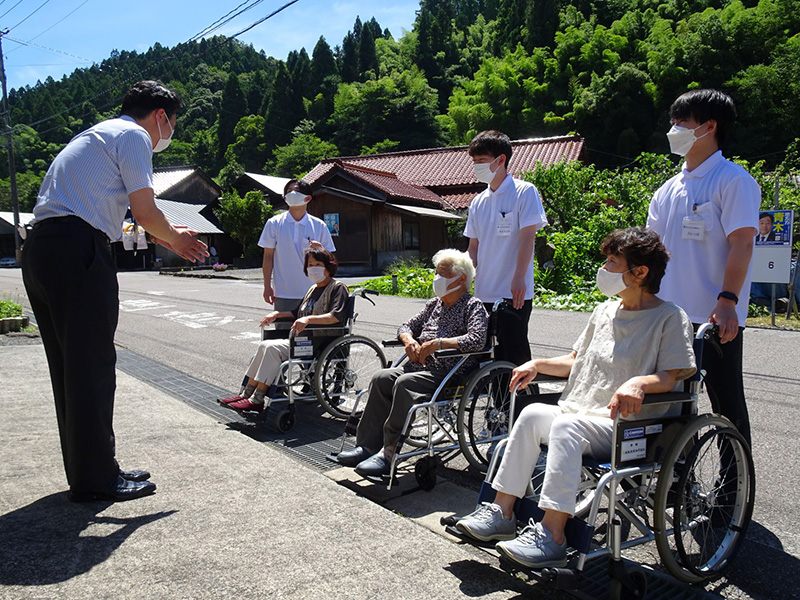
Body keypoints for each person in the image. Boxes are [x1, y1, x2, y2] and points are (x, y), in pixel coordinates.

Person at [455, 227, 696, 569]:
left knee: (566, 427)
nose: (605, 269)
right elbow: (574, 361)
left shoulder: (669, 316)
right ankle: (502, 511)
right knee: (533, 414)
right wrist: (537, 364)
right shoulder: (603, 312)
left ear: (640, 272)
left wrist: (640, 382)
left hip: (628, 425)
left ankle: (552, 535)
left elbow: (671, 375)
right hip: (582, 414)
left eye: (613, 262)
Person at [21, 81, 209, 502]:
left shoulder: (96, 135)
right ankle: (97, 480)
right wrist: (177, 241)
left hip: (42, 247)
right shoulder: (134, 135)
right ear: (161, 115)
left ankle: (90, 470)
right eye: (173, 122)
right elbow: (144, 210)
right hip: (78, 249)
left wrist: (168, 235)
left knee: (69, 367)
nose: (170, 131)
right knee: (92, 365)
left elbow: (138, 218)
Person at [647, 89, 760, 447]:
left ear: (709, 127)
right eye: (673, 121)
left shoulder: (734, 181)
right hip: (669, 316)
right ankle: (680, 490)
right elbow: (652, 251)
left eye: (682, 122)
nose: (673, 129)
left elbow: (742, 243)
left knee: (727, 406)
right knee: (671, 407)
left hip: (715, 319)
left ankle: (732, 495)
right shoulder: (668, 189)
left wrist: (727, 300)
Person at [335, 249, 489, 477]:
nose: (437, 279)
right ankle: (367, 446)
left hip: (447, 371)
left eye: (442, 274)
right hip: (418, 365)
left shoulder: (472, 306)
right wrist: (408, 341)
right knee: (381, 378)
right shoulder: (434, 304)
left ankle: (388, 453)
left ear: (461, 279)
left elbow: (477, 339)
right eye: (437, 273)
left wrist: (438, 344)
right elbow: (406, 326)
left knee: (405, 384)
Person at [219, 247, 348, 411]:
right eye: (310, 264)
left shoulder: (338, 288)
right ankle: (245, 394)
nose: (313, 267)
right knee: (264, 345)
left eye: (317, 263)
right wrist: (276, 314)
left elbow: (335, 316)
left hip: (320, 342)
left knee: (272, 349)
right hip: (302, 341)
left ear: (328, 266)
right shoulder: (312, 289)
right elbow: (296, 313)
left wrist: (308, 319)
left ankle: (257, 399)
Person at [464, 130, 548, 366]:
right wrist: (459, 278)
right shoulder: (477, 201)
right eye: (474, 162)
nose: (476, 166)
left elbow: (527, 238)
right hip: (483, 293)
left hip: (514, 293)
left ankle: (523, 403)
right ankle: (497, 404)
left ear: (500, 160)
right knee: (485, 359)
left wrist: (519, 278)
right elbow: (473, 247)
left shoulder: (524, 191)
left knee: (514, 354)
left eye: (481, 161)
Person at [259, 178, 335, 329]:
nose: (292, 194)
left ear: (308, 198)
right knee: (283, 336)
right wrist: (267, 286)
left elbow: (331, 259)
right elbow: (268, 257)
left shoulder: (319, 225)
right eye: (289, 191)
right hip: (284, 292)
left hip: (314, 291)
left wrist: (322, 250)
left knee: (312, 337)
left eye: (297, 191)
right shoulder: (274, 223)